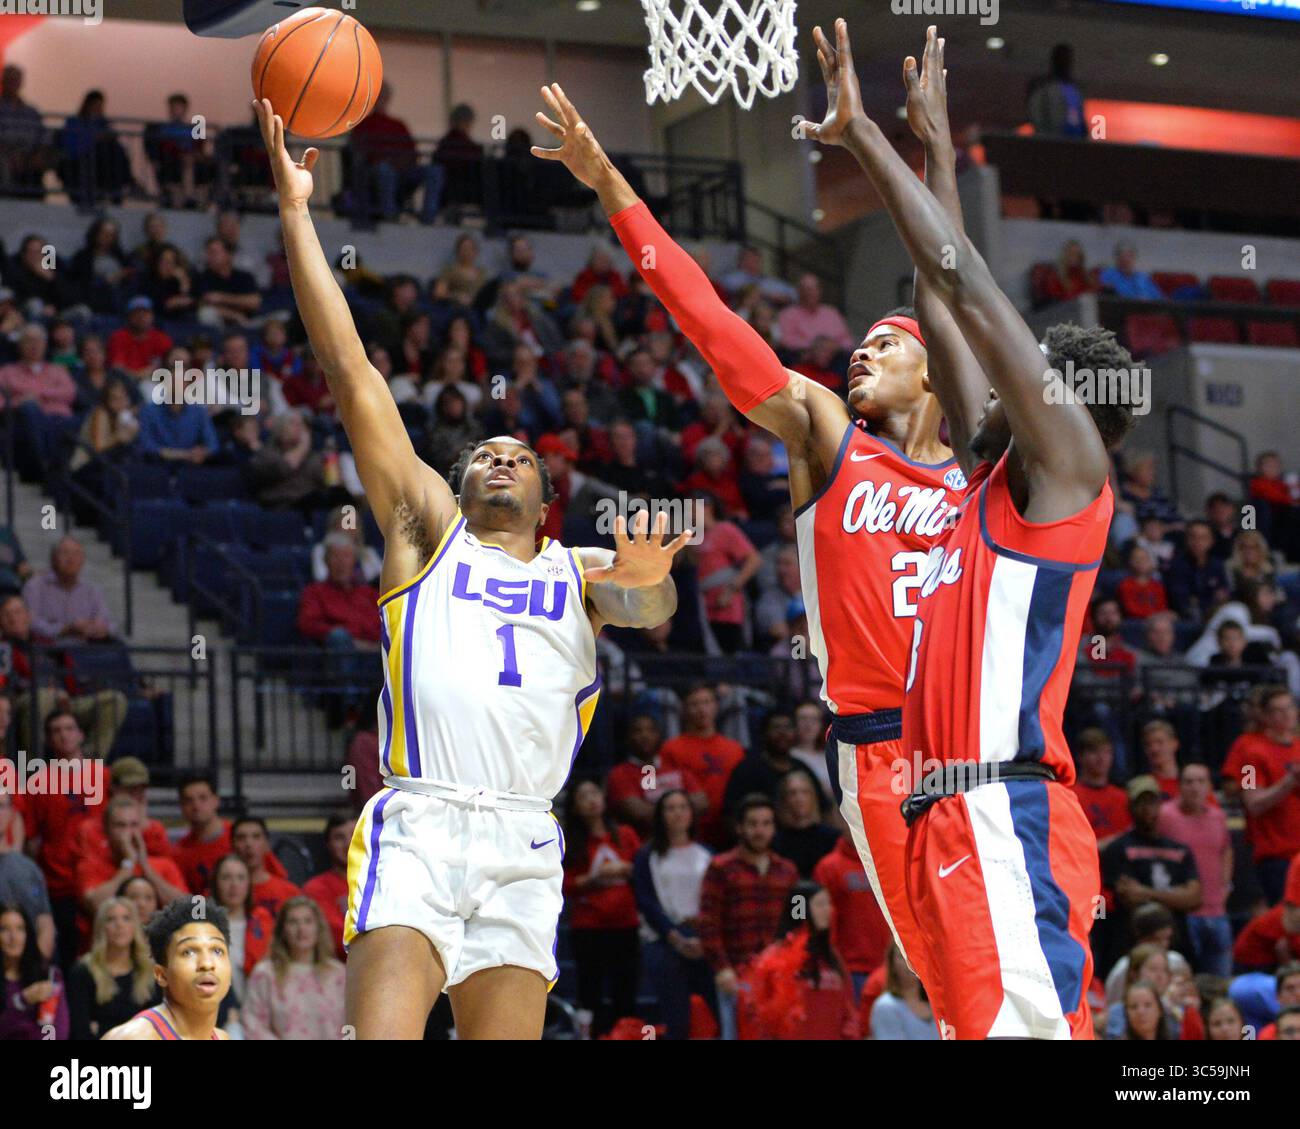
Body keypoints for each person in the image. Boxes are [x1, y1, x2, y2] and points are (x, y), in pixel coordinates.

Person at [255, 96, 684, 1040]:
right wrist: (295, 212)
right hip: (422, 820)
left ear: (546, 498)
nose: (499, 457)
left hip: (526, 836)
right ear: (455, 483)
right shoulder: (426, 533)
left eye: (519, 455)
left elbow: (647, 600)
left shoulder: (577, 568)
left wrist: (651, 577)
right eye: (483, 452)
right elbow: (354, 373)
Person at [532, 74, 965, 1004]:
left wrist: (939, 155)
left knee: (1007, 962)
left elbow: (958, 281)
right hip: (880, 745)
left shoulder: (981, 471)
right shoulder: (827, 436)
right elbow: (717, 328)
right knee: (939, 972)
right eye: (859, 345)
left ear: (938, 373)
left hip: (978, 738)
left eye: (885, 345)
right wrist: (611, 184)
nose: (860, 353)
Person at [817, 21, 1140, 1039]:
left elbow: (962, 283)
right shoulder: (985, 478)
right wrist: (936, 158)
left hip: (1007, 816)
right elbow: (938, 300)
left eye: (1028, 373)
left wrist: (866, 140)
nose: (997, 381)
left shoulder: (1069, 474)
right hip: (942, 822)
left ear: (1064, 405)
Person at [696, 795, 798, 1040]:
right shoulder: (720, 867)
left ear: (774, 827)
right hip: (737, 971)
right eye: (752, 824)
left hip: (777, 976)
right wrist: (722, 968)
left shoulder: (788, 870)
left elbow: (798, 918)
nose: (759, 830)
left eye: (766, 823)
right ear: (739, 827)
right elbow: (708, 923)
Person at [561, 778, 641, 1038]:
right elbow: (562, 884)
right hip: (588, 927)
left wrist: (628, 869)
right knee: (590, 991)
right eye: (584, 796)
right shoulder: (571, 842)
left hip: (625, 924)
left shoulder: (626, 834)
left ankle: (625, 1034)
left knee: (625, 991)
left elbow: (643, 871)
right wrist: (593, 879)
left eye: (595, 792)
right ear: (574, 807)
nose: (592, 800)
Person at [631, 789, 713, 1041]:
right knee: (677, 1019)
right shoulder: (648, 856)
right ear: (660, 815)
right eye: (670, 808)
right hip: (663, 938)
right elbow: (646, 901)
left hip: (702, 938)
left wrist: (703, 931)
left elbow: (715, 898)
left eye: (683, 807)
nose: (678, 813)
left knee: (717, 1011)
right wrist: (673, 936)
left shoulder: (707, 854)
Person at [101, 896, 231, 1040]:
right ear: (161, 975)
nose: (207, 963)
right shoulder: (133, 1038)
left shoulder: (223, 1038)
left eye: (217, 951)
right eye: (188, 952)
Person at [744, 879, 859, 1039]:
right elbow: (758, 1013)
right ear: (801, 909)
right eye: (820, 904)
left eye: (829, 903)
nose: (829, 910)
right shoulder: (774, 957)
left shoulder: (831, 956)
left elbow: (848, 1009)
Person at [1221, 686, 1300, 903]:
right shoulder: (1250, 751)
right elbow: (1252, 802)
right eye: (1278, 710)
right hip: (1276, 855)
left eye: (1290, 707)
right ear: (1265, 716)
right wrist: (1289, 781)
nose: (1286, 714)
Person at [1156, 762, 1232, 976]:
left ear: (1209, 786)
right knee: (1183, 978)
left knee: (1220, 978)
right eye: (1188, 782)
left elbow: (1226, 849)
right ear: (1179, 786)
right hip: (1182, 912)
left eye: (1201, 781)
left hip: (1217, 910)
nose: (1194, 787)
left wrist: (1226, 884)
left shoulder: (1218, 816)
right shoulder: (1165, 816)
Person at [242, 896, 346, 1040]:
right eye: (293, 922)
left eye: (308, 921)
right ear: (282, 930)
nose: (301, 929)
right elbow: (254, 1026)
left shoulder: (338, 974)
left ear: (318, 927)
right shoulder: (265, 973)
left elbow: (352, 1024)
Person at [813, 816, 893, 997]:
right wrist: (830, 964)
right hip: (850, 969)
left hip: (891, 969)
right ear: (842, 823)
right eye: (853, 819)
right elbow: (820, 921)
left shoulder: (886, 861)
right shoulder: (829, 867)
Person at [658, 684, 746, 847]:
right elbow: (666, 793)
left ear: (716, 706)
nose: (701, 710)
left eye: (706, 702)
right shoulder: (671, 748)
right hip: (690, 833)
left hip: (729, 831)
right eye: (694, 704)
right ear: (684, 709)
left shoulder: (735, 749)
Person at [67, 897, 159, 1040]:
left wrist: (102, 1029)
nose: (119, 925)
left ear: (135, 926)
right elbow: (80, 1032)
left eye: (126, 918)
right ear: (101, 927)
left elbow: (158, 1028)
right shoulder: (83, 972)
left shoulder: (150, 970)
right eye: (111, 919)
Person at [21, 536, 115, 643]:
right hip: (50, 649)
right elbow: (31, 623)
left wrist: (103, 628)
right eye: (65, 553)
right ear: (53, 559)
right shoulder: (35, 586)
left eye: (77, 554)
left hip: (87, 646)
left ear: (83, 560)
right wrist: (66, 629)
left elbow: (109, 622)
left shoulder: (92, 589)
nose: (71, 559)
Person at [210, 854, 273, 1007]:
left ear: (249, 884)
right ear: (215, 883)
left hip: (259, 1010)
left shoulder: (263, 923)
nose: (234, 885)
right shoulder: (202, 927)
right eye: (226, 878)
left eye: (241, 878)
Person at [0, 903, 68, 1039]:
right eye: (4, 929)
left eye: (20, 929)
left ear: (29, 934)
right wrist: (21, 1002)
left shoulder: (48, 975)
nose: (13, 937)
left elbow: (56, 1033)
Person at [0, 790, 54, 960]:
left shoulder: (29, 869)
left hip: (23, 974)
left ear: (11, 813)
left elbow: (44, 922)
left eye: (1, 806)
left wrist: (34, 969)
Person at [301, 813, 354, 961]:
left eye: (355, 834)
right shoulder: (316, 888)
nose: (348, 843)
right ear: (328, 845)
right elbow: (336, 938)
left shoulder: (383, 882)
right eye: (339, 838)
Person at [771, 767, 838, 877]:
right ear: (784, 799)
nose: (799, 798)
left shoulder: (832, 838)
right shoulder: (775, 840)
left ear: (813, 797)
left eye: (805, 792)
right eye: (793, 793)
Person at [1070, 728, 1131, 849]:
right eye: (1094, 751)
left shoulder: (1123, 797)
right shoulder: (1070, 796)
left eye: (1106, 752)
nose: (1101, 758)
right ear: (1080, 756)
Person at [231, 817, 299, 919]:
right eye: (241, 838)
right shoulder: (220, 892)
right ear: (232, 845)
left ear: (267, 845)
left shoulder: (289, 892)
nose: (249, 844)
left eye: (256, 837)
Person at [869, 941, 938, 1040]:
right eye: (902, 956)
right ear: (892, 965)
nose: (910, 962)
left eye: (915, 954)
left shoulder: (937, 1003)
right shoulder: (885, 1006)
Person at [1027, 44, 1086, 139]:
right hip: (1048, 140)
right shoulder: (1043, 88)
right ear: (1055, 61)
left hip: (1070, 141)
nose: (1066, 63)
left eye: (1067, 60)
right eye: (1063, 59)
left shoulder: (1074, 89)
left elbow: (1078, 116)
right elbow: (1036, 116)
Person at [1098, 242, 1164, 302]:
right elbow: (1106, 297)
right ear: (1116, 259)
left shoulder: (1144, 277)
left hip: (1149, 310)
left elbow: (1160, 299)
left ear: (1134, 258)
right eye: (1122, 256)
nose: (1126, 260)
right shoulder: (1108, 275)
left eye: (1129, 256)